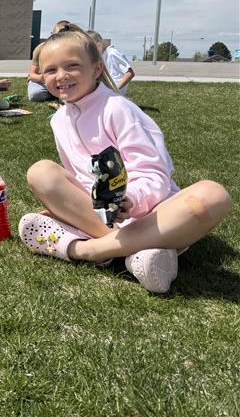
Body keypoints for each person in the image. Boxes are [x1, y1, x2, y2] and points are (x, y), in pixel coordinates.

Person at [18, 28, 231, 293]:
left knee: (213, 195)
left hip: (150, 213)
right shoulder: (59, 120)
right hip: (105, 217)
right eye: (50, 70)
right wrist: (66, 208)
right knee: (40, 171)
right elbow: (79, 177)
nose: (61, 76)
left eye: (72, 66)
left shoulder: (117, 108)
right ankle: (137, 253)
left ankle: (83, 249)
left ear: (96, 69)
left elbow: (154, 172)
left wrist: (131, 199)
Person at [88, 30, 135, 95]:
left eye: (91, 50)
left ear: (99, 45)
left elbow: (130, 73)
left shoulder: (112, 54)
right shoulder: (102, 55)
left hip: (114, 91)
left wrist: (115, 89)